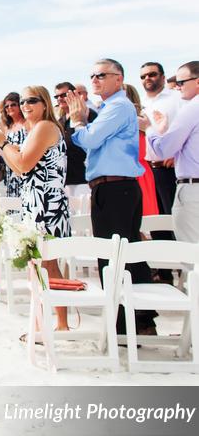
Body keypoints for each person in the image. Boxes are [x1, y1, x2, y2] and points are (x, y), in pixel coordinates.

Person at [67, 59, 155, 335]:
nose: (95, 79)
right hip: (114, 188)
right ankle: (139, 320)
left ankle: (125, 323)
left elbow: (89, 140)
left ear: (119, 79)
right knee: (125, 254)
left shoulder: (118, 106)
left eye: (101, 75)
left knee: (114, 256)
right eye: (92, 74)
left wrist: (77, 122)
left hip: (116, 189)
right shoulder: (111, 108)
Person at [0, 85, 71, 331]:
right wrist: (2, 145)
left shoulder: (44, 127)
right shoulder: (36, 129)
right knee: (43, 265)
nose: (25, 105)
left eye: (32, 100)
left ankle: (55, 325)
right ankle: (46, 323)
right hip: (37, 200)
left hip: (46, 203)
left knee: (47, 265)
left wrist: (2, 143)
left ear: (45, 103)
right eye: (22, 101)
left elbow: (22, 164)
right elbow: (19, 167)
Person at [148, 61, 199, 244]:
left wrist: (151, 130)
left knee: (191, 253)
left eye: (181, 83)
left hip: (193, 190)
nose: (177, 88)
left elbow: (163, 149)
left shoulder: (192, 109)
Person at [139, 62, 181, 244]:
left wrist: (177, 154)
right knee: (154, 221)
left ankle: (183, 267)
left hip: (169, 168)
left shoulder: (176, 99)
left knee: (174, 219)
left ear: (163, 77)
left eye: (152, 74)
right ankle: (163, 271)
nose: (147, 78)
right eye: (143, 76)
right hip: (147, 169)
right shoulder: (142, 104)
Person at [54, 82, 96, 209]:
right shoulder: (61, 120)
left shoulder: (88, 114)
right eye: (57, 97)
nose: (60, 99)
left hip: (84, 178)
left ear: (74, 94)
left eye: (63, 95)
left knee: (86, 220)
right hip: (67, 179)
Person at [124, 84, 160, 216]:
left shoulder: (137, 119)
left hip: (136, 172)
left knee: (141, 217)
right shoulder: (140, 118)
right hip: (138, 170)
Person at [0, 92, 27, 198]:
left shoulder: (27, 123)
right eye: (6, 106)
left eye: (13, 104)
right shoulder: (7, 128)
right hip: (10, 171)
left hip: (24, 167)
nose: (9, 108)